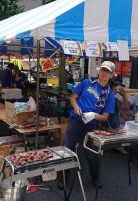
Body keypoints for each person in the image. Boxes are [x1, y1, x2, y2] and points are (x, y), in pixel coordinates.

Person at [57, 61, 116, 189]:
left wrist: (94, 115)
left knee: (91, 152)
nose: (104, 73)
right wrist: (76, 106)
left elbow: (105, 117)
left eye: (108, 71)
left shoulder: (110, 95)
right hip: (75, 119)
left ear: (112, 75)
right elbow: (73, 97)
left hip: (91, 124)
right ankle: (62, 178)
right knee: (68, 148)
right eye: (103, 70)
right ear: (99, 70)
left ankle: (95, 178)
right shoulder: (87, 82)